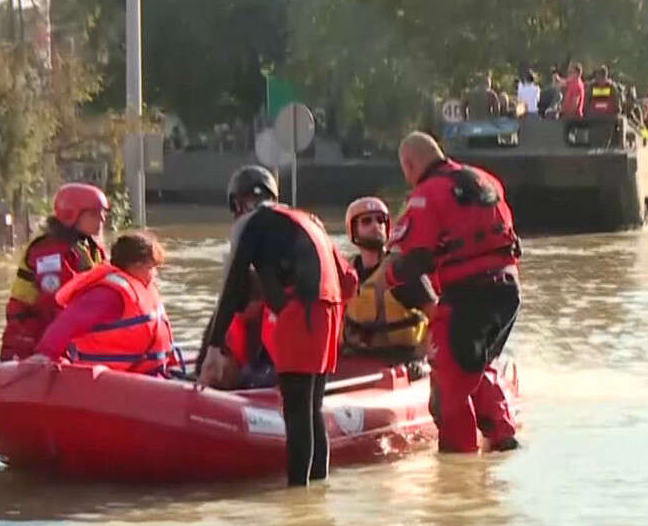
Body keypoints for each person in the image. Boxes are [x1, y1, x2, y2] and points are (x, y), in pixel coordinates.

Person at [198, 165, 355, 486]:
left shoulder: (251, 224)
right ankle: (317, 491)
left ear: (237, 203)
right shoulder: (308, 219)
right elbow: (349, 280)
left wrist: (213, 346)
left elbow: (232, 287)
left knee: (296, 410)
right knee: (312, 408)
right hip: (329, 312)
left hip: (301, 313)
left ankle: (298, 496)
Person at [383, 132, 521, 454]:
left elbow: (408, 265)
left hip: (469, 297)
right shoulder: (485, 180)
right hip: (508, 292)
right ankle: (504, 440)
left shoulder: (427, 195)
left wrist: (415, 297)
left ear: (409, 164)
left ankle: (458, 474)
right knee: (476, 367)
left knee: (448, 393)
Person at [30, 231, 179, 375]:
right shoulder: (108, 294)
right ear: (136, 266)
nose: (155, 274)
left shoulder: (141, 288)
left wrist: (172, 363)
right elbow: (67, 322)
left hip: (150, 373)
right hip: (116, 379)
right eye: (151, 268)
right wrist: (45, 353)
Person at [0, 183, 109, 361]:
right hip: (32, 343)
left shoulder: (91, 248)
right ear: (71, 215)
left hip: (63, 341)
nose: (102, 219)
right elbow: (60, 305)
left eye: (104, 213)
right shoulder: (48, 253)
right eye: (94, 214)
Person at [341, 197, 428, 359]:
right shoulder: (343, 272)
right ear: (353, 231)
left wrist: (423, 356)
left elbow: (436, 314)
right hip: (355, 358)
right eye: (366, 221)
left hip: (402, 360)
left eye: (380, 220)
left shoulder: (403, 269)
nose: (376, 225)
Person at [562, 63, 586, 144]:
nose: (569, 74)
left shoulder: (577, 85)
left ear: (577, 73)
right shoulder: (572, 82)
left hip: (574, 116)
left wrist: (567, 114)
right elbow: (561, 83)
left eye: (571, 72)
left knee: (570, 138)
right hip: (568, 115)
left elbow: (575, 103)